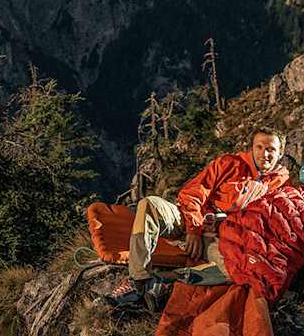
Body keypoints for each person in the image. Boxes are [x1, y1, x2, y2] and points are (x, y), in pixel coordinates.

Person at [108, 128, 289, 310]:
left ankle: (164, 281)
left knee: (236, 270)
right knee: (150, 204)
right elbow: (192, 194)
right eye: (259, 147)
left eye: (271, 149)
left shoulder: (278, 183)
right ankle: (139, 281)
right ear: (252, 148)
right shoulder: (229, 164)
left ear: (280, 153)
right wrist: (193, 229)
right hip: (191, 220)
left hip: (220, 239)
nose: (264, 154)